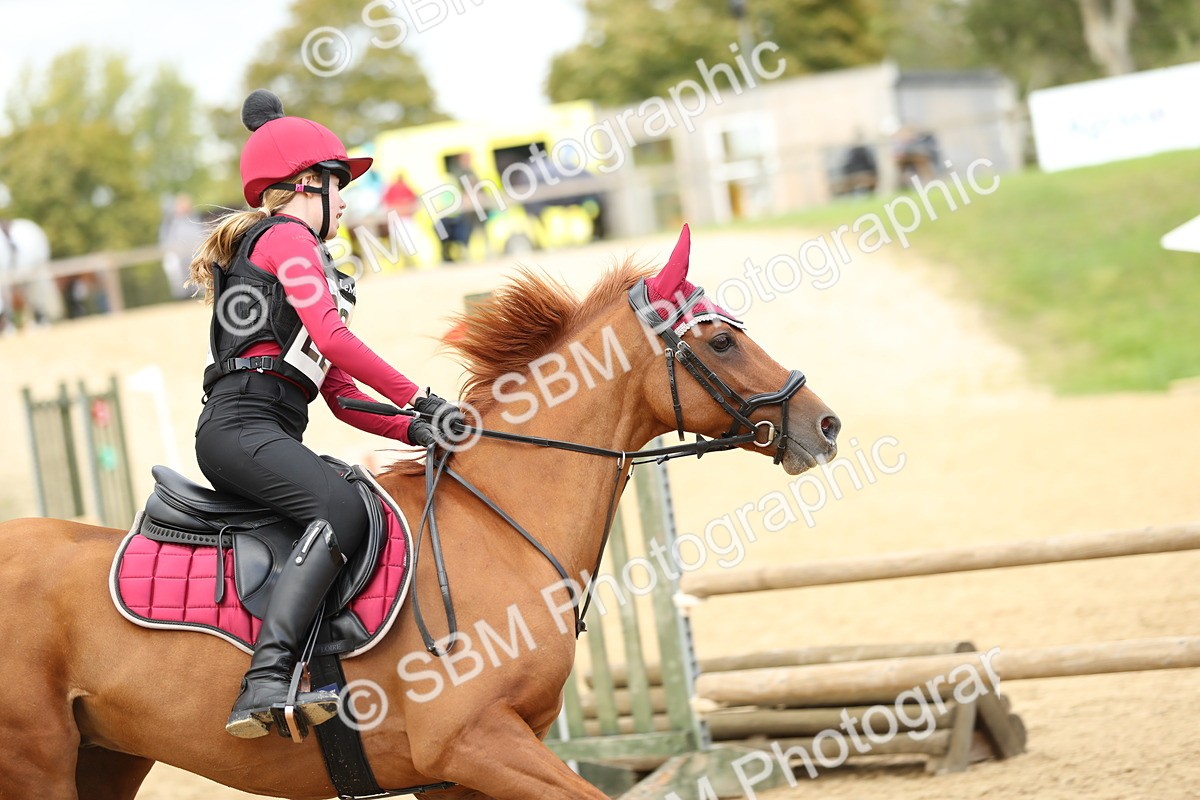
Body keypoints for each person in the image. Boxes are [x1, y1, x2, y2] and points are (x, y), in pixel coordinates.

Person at [186, 89, 461, 739]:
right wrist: (419, 395)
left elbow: (337, 390)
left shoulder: (300, 258)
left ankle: (321, 657)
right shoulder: (284, 237)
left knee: (356, 499)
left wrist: (416, 430)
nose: (348, 202)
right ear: (311, 184)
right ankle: (266, 679)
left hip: (265, 430)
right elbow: (336, 340)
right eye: (343, 187)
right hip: (238, 429)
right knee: (339, 508)